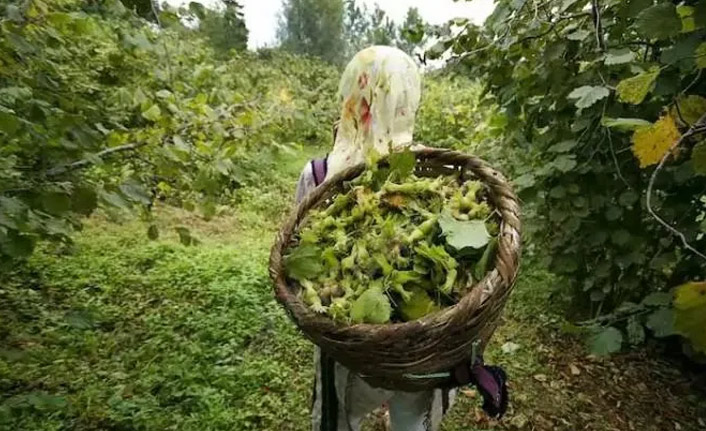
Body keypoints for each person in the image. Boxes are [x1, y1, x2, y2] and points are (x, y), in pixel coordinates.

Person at [294, 46, 507, 431]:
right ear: (409, 99)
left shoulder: (319, 175)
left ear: (350, 97)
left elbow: (298, 254)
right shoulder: (432, 170)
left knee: (343, 417)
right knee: (411, 420)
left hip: (350, 346)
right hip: (423, 346)